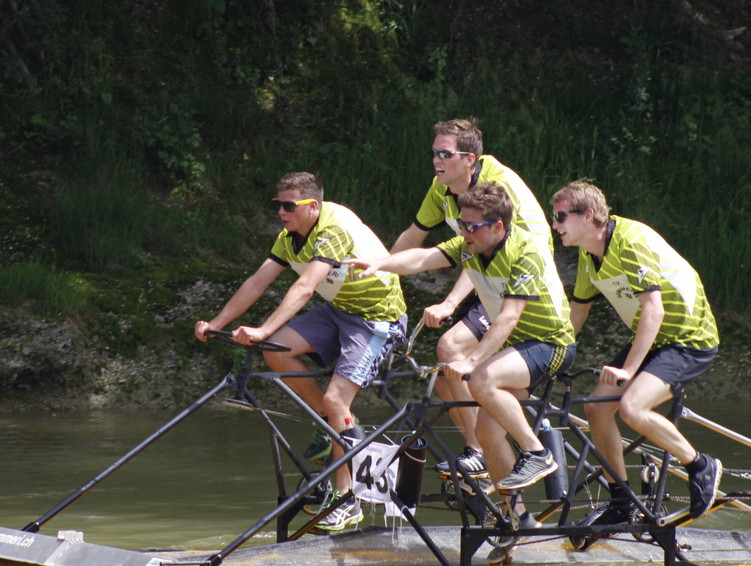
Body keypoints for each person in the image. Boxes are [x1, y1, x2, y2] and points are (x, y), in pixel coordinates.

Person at [195, 172, 407, 532]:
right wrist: (217, 322)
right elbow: (258, 282)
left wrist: (262, 328)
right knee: (276, 352)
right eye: (277, 205)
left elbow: (307, 286)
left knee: (337, 400)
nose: (280, 211)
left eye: (288, 206)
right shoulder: (289, 237)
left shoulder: (333, 229)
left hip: (378, 320)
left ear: (312, 207)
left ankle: (348, 499)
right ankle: (328, 425)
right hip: (340, 312)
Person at [350, 182, 575, 492]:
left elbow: (509, 316)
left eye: (472, 226)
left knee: (480, 378)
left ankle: (538, 453)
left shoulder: (527, 251)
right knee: (486, 435)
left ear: (498, 227)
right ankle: (516, 518)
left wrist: (471, 360)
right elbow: (423, 259)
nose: (464, 231)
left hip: (551, 343)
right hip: (516, 348)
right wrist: (380, 264)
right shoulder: (470, 246)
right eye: (461, 224)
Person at [550, 180, 721, 534]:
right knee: (597, 407)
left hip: (688, 338)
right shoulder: (588, 255)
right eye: (555, 218)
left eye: (562, 216)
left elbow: (653, 311)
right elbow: (577, 314)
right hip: (653, 336)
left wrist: (628, 371)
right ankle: (622, 503)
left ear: (590, 215)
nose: (555, 225)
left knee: (632, 408)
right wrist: (550, 356)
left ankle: (700, 465)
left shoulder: (631, 241)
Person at [391, 118, 553, 484]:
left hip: (519, 283)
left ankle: (477, 453)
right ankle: (487, 455)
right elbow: (414, 236)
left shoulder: (497, 189)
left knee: (451, 345)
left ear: (470, 158)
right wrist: (380, 272)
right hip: (487, 276)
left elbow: (485, 253)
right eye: (434, 152)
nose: (436, 160)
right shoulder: (442, 187)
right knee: (448, 375)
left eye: (444, 154)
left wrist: (449, 304)